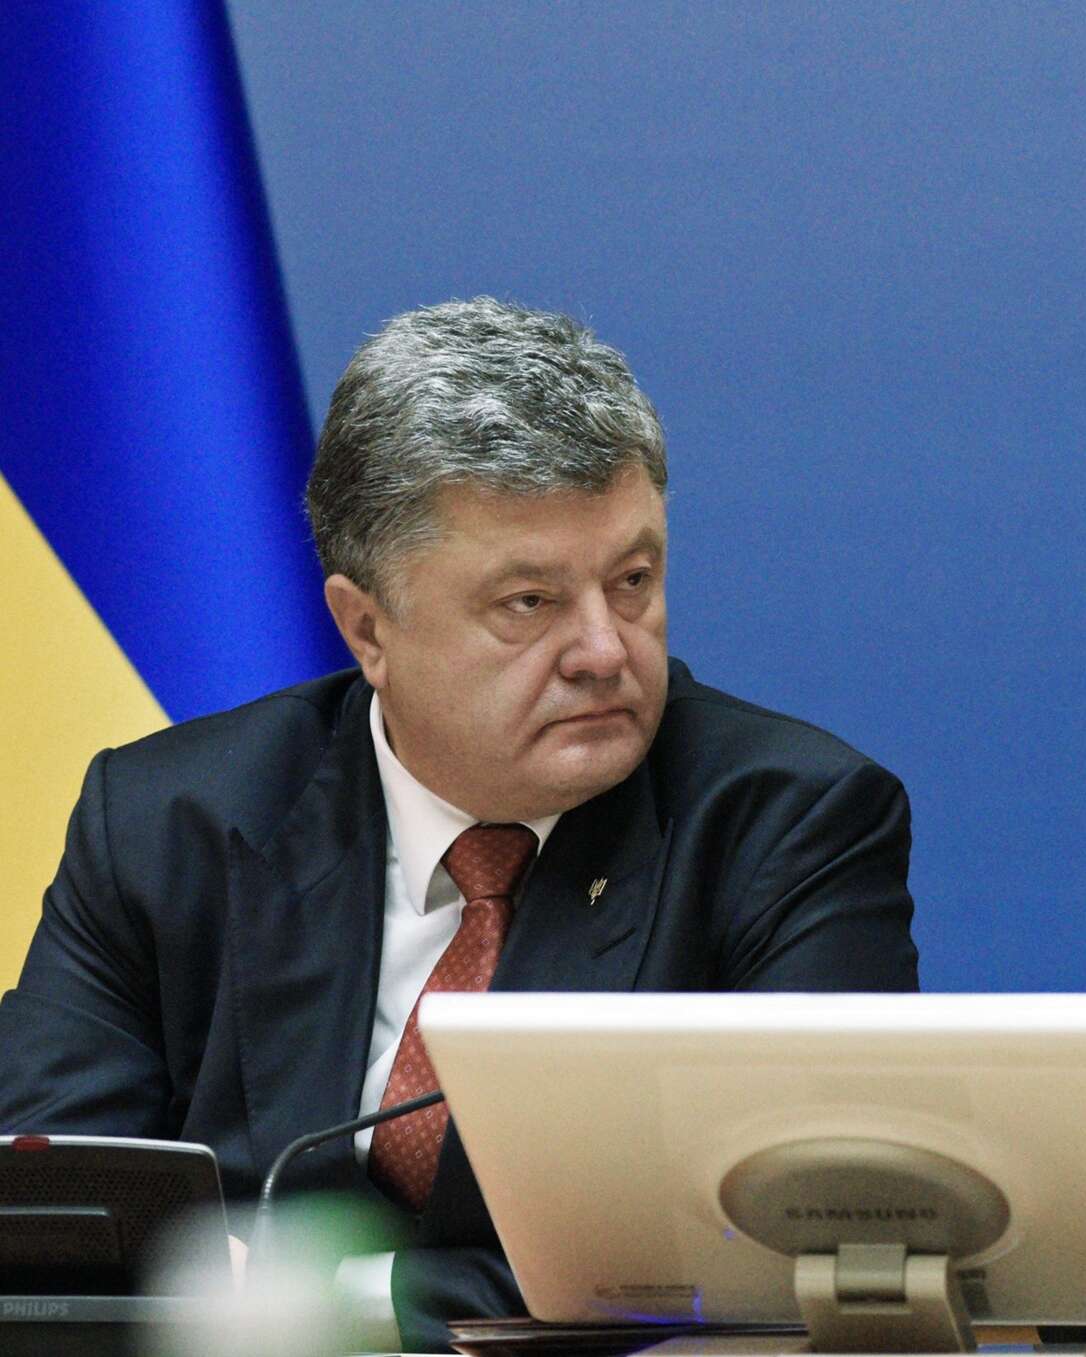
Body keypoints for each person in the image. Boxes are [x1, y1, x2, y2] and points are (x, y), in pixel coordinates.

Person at [0, 299, 920, 1350]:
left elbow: (774, 1253)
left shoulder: (785, 827)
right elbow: (52, 1224)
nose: (604, 650)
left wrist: (329, 1300)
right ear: (367, 628)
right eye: (529, 602)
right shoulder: (167, 822)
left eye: (632, 581)